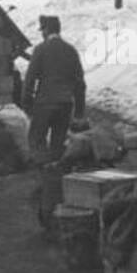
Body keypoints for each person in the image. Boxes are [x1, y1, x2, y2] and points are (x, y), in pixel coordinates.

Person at [22, 15, 86, 164]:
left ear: (45, 30)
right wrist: (79, 112)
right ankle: (57, 178)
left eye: (42, 30)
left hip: (44, 103)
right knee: (58, 144)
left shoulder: (40, 50)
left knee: (37, 140)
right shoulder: (71, 51)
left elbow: (30, 79)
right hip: (65, 104)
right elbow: (79, 84)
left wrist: (27, 104)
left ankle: (44, 177)